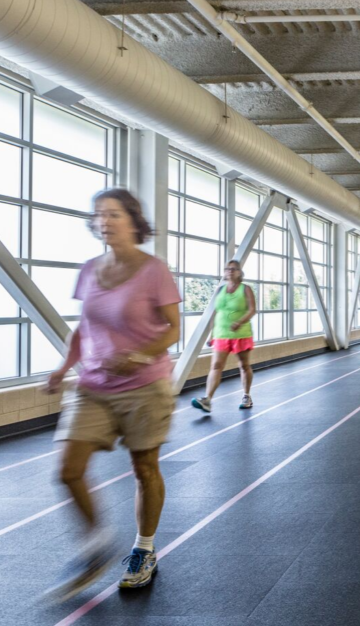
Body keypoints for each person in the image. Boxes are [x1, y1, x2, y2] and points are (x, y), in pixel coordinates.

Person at [46, 189, 181, 598]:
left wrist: (141, 355)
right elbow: (83, 328)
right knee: (67, 471)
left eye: (114, 214)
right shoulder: (88, 270)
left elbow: (174, 328)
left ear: (133, 221)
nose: (104, 221)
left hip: (145, 386)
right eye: (99, 215)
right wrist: (63, 367)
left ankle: (144, 550)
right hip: (94, 386)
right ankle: (96, 544)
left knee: (144, 469)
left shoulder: (155, 270)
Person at [192, 260, 256, 412]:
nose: (230, 272)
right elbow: (216, 312)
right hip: (221, 334)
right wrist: (212, 334)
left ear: (239, 272)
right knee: (216, 366)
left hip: (240, 334)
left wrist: (239, 322)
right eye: (227, 269)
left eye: (233, 269)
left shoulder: (245, 289)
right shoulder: (220, 290)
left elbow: (252, 310)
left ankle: (246, 395)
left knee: (244, 365)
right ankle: (207, 399)